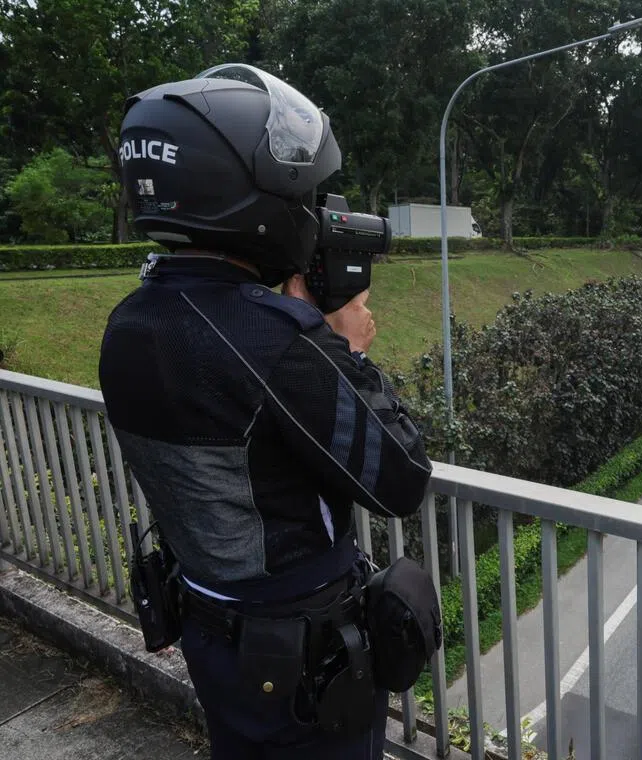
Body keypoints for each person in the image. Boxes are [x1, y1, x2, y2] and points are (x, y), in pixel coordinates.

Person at [98, 63, 433, 759]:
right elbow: (400, 477)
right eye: (303, 194)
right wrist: (348, 350)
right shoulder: (270, 340)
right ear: (248, 196)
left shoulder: (132, 321)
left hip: (209, 627)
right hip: (301, 657)